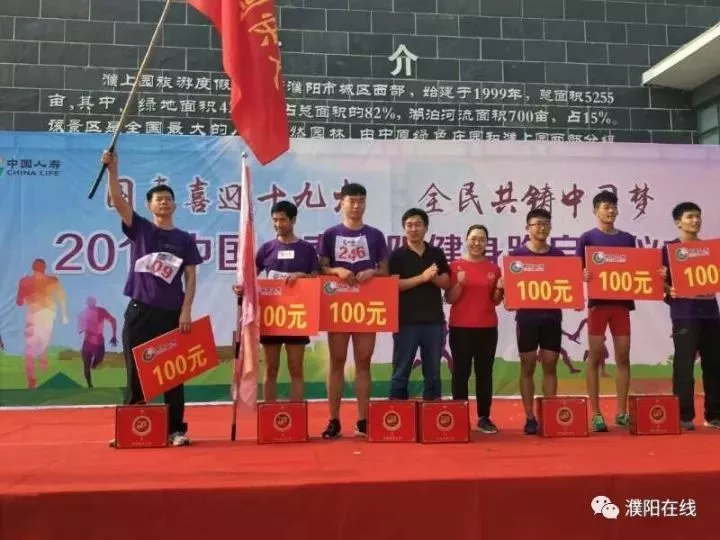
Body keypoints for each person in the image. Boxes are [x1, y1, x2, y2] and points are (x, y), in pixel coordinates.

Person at [102, 150, 203, 447]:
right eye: (158, 199)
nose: (164, 203)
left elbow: (191, 278)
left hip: (171, 313)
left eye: (168, 199)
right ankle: (134, 428)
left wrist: (186, 311)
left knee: (173, 373)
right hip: (140, 311)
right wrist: (112, 169)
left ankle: (176, 430)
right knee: (136, 371)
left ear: (175, 205)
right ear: (149, 205)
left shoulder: (184, 239)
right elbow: (118, 200)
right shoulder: (142, 229)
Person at [317, 182, 388, 438]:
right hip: (338, 304)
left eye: (361, 201)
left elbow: (385, 269)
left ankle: (363, 420)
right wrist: (336, 270)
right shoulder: (330, 235)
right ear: (342, 203)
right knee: (336, 361)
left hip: (366, 305)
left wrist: (373, 272)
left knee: (363, 362)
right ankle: (333, 420)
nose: (357, 206)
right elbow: (321, 268)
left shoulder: (375, 235)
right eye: (352, 201)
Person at [576, 190, 637, 432]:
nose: (610, 211)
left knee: (623, 357)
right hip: (597, 305)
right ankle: (596, 414)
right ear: (595, 211)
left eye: (613, 207)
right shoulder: (587, 238)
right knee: (595, 357)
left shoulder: (628, 239)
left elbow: (636, 269)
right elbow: (575, 270)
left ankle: (622, 412)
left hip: (621, 305)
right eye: (605, 207)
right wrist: (582, 274)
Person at [252, 200, 319, 402]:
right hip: (272, 316)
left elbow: (316, 277)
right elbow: (251, 277)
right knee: (270, 368)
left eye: (282, 220)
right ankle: (269, 412)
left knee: (295, 368)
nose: (278, 224)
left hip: (297, 316)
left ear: (293, 220)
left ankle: (295, 412)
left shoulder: (306, 249)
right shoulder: (266, 249)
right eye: (275, 220)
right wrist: (242, 287)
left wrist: (301, 275)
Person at [662, 201, 720, 430]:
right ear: (678, 222)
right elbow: (658, 283)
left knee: (714, 365)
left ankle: (714, 415)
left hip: (711, 312)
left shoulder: (710, 249)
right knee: (684, 365)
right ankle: (683, 415)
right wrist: (668, 288)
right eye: (690, 217)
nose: (695, 220)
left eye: (698, 216)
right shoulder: (669, 250)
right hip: (684, 313)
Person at [509, 209, 566, 435]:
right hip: (527, 319)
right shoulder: (517, 255)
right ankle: (530, 416)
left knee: (551, 364)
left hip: (552, 318)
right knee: (528, 365)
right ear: (528, 228)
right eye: (537, 224)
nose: (542, 227)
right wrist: (506, 291)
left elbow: (567, 285)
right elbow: (510, 292)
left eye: (546, 224)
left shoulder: (559, 256)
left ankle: (549, 414)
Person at [445, 225, 504, 433]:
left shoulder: (493, 269)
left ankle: (484, 417)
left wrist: (499, 288)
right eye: (473, 238)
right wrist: (460, 284)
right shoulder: (455, 266)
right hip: (460, 327)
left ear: (487, 242)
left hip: (487, 327)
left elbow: (495, 300)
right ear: (466, 240)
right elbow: (449, 298)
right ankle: (459, 415)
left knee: (484, 373)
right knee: (460, 372)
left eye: (481, 239)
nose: (477, 243)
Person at [388, 208, 450, 402]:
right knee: (401, 371)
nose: (413, 229)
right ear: (404, 228)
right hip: (405, 321)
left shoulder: (436, 253)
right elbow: (394, 285)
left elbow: (446, 283)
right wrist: (422, 277)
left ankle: (433, 412)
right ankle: (398, 412)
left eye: (418, 225)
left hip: (433, 321)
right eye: (409, 225)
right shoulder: (397, 255)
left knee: (433, 373)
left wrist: (433, 278)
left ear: (426, 228)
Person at [16, 258, 69, 389]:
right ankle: (43, 359)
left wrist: (26, 291)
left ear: (33, 268)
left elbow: (19, 302)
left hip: (33, 315)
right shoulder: (52, 280)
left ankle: (31, 378)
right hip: (47, 315)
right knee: (42, 341)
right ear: (44, 268)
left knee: (30, 349)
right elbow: (61, 298)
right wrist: (64, 315)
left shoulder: (25, 281)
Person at [77, 296, 118, 388]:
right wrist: (85, 328)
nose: (90, 304)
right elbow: (80, 329)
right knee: (86, 364)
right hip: (87, 343)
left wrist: (114, 335)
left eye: (92, 302)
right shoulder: (83, 313)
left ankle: (94, 364)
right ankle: (90, 385)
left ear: (95, 302)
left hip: (99, 343)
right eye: (88, 302)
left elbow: (113, 320)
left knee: (99, 359)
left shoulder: (101, 311)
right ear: (86, 303)